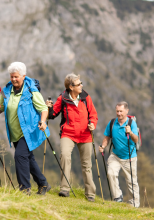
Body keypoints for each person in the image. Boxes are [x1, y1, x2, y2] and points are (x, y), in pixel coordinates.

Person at [0, 62, 51, 195]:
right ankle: (43, 184)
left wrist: (43, 122)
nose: (14, 79)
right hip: (15, 132)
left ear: (23, 76)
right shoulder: (6, 91)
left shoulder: (31, 90)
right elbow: (0, 108)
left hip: (29, 131)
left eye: (16, 76)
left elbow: (43, 108)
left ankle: (24, 189)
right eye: (12, 77)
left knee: (20, 156)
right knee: (28, 158)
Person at [46, 73, 98, 202]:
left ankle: (90, 194)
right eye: (78, 84)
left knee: (87, 165)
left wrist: (92, 124)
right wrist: (48, 107)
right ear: (71, 87)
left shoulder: (86, 97)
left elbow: (93, 114)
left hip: (85, 134)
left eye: (81, 83)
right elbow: (52, 114)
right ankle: (64, 189)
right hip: (68, 134)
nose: (81, 85)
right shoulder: (63, 98)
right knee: (64, 155)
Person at [99, 101, 140, 207]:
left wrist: (130, 132)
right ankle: (117, 197)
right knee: (111, 173)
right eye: (117, 111)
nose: (119, 113)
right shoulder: (112, 123)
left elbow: (136, 140)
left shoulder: (132, 123)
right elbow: (107, 137)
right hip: (115, 155)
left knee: (131, 182)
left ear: (127, 111)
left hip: (130, 157)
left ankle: (134, 203)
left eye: (121, 111)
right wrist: (103, 146)